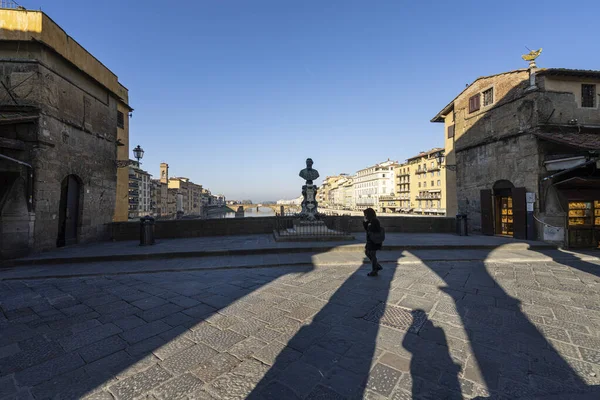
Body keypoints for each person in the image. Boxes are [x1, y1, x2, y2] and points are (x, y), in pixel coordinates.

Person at [363, 207, 383, 276]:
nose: (365, 216)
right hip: (370, 241)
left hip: (374, 241)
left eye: (365, 214)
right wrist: (365, 221)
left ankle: (374, 271)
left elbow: (373, 230)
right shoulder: (370, 220)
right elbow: (366, 229)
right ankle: (377, 266)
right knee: (367, 252)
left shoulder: (374, 220)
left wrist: (369, 225)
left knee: (372, 255)